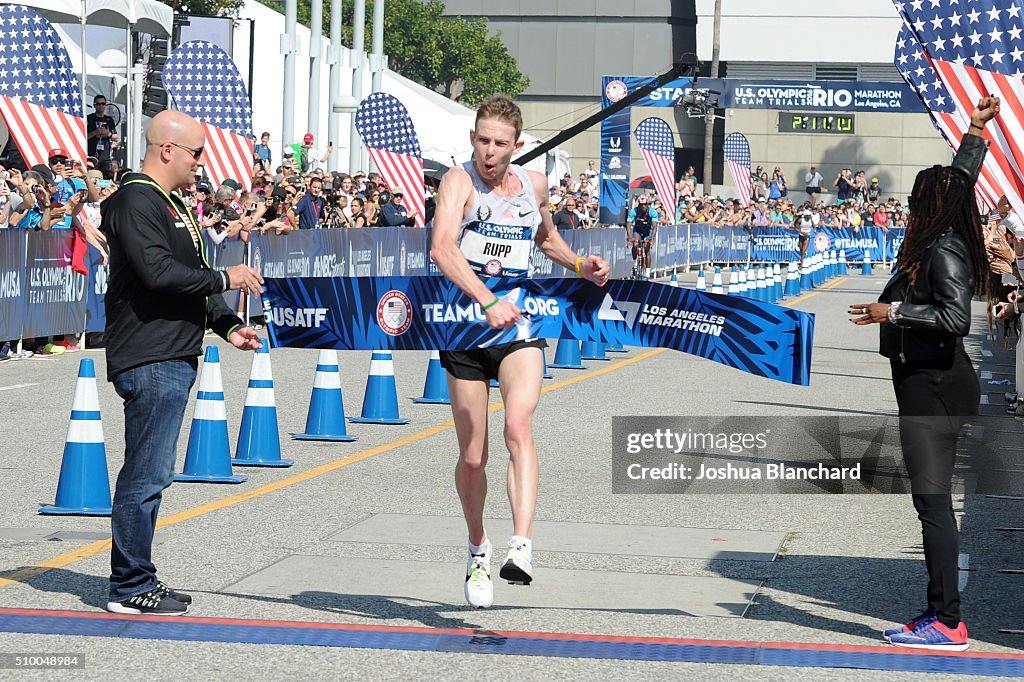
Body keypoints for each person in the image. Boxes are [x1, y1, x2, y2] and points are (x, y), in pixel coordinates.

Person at [430, 94, 609, 609]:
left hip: (520, 324)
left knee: (518, 426)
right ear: (472, 140)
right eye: (482, 141)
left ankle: (522, 546)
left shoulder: (532, 184)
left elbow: (546, 237)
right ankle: (477, 547)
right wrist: (485, 299)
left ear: (518, 146)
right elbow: (442, 247)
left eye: (500, 144)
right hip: (465, 325)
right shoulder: (458, 182)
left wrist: (579, 265)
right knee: (472, 455)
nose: (490, 152)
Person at [849, 96, 999, 651]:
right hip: (928, 380)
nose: (910, 206)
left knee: (932, 503)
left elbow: (955, 318)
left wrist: (894, 312)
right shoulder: (941, 232)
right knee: (931, 500)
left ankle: (947, 621)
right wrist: (974, 134)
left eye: (916, 200)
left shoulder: (945, 251)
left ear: (930, 207)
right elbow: (957, 182)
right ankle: (941, 614)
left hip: (936, 383)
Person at [100, 110, 265, 616]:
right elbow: (157, 273)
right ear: (166, 149)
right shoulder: (134, 200)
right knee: (146, 474)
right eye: (196, 153)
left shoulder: (173, 203)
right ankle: (130, 586)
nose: (201, 163)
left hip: (174, 350)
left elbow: (188, 274)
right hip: (149, 353)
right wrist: (225, 279)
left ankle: (137, 576)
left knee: (154, 472)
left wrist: (227, 325)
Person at [627, 194, 659, 279]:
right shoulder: (634, 211)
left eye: (645, 204)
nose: (643, 207)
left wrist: (652, 239)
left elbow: (655, 226)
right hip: (637, 230)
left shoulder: (653, 212)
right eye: (641, 205)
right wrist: (630, 236)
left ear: (648, 204)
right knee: (635, 244)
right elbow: (628, 224)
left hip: (648, 231)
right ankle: (634, 262)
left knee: (646, 249)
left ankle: (648, 271)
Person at [86, 95, 117, 176]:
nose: (101, 106)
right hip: (91, 154)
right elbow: (83, 137)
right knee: (92, 176)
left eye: (103, 104)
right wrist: (95, 132)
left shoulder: (109, 120)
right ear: (94, 105)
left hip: (105, 155)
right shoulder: (89, 118)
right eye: (98, 104)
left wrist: (108, 133)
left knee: (106, 176)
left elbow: (116, 137)